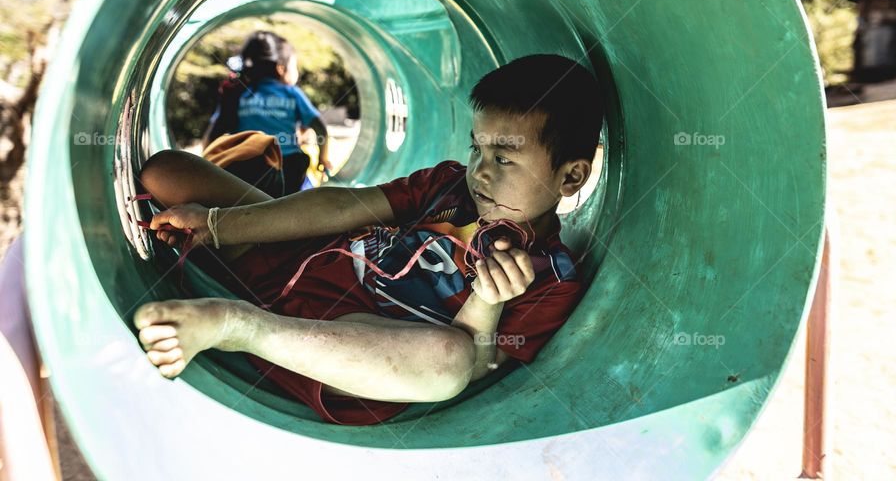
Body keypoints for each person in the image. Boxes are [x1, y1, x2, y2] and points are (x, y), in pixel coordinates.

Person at [135, 54, 603, 425]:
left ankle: (237, 326)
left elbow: (478, 370)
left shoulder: (552, 280)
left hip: (342, 340)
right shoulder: (448, 184)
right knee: (167, 171)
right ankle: (231, 269)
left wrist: (486, 301)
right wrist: (216, 224)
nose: (479, 170)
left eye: (504, 159)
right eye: (476, 148)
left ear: (571, 177)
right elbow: (343, 207)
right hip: (305, 262)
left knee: (449, 361)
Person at [201, 30, 333, 196]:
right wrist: (323, 159)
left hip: (245, 169)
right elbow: (320, 127)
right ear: (280, 68)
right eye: (295, 66)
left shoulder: (237, 93)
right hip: (286, 170)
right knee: (300, 161)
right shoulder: (291, 93)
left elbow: (212, 135)